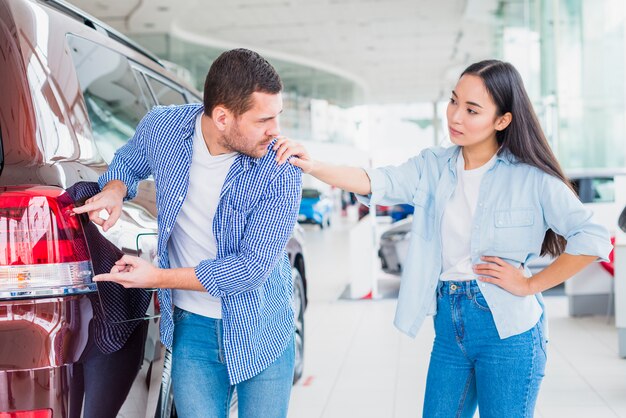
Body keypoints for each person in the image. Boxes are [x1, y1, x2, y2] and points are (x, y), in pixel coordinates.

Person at [273, 60, 612, 417]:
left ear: (503, 120)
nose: (455, 117)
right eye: (454, 102)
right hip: (450, 325)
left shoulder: (532, 179)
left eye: (472, 110)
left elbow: (592, 237)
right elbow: (377, 181)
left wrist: (531, 284)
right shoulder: (433, 166)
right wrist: (312, 166)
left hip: (509, 331)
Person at [73, 48, 302, 418]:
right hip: (192, 330)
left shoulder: (281, 169)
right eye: (264, 120)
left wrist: (157, 278)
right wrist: (115, 189)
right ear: (223, 117)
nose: (275, 131)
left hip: (261, 327)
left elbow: (249, 269)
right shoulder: (163, 128)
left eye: (278, 117)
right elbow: (129, 160)